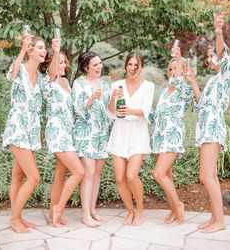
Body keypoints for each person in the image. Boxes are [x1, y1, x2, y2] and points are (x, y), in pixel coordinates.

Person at [186, 13, 230, 233]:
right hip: (205, 129)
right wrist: (193, 81)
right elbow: (200, 104)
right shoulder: (213, 81)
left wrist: (218, 32)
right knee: (211, 175)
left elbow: (223, 52)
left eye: (212, 55)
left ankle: (220, 221)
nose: (210, 58)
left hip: (213, 128)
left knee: (205, 175)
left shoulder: (226, 74)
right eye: (208, 56)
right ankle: (215, 218)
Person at [2, 34, 47, 233]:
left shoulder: (42, 78)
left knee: (18, 175)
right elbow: (11, 75)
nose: (43, 51)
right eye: (39, 47)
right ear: (30, 51)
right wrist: (22, 48)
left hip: (31, 130)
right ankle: (14, 218)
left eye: (44, 48)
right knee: (34, 177)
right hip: (18, 127)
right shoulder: (19, 70)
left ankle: (18, 216)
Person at [41, 38, 84, 227]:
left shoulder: (66, 81)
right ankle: (59, 208)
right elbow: (51, 72)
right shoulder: (48, 81)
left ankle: (52, 213)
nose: (63, 64)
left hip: (69, 132)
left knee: (60, 174)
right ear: (50, 64)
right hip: (57, 132)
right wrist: (56, 50)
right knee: (78, 171)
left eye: (64, 61)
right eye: (59, 61)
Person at [107, 52, 154, 226]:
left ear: (141, 67)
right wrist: (113, 99)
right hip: (120, 134)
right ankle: (129, 210)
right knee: (119, 179)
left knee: (132, 176)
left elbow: (146, 111)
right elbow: (111, 111)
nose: (132, 68)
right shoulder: (117, 85)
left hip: (138, 134)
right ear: (125, 65)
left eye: (136, 65)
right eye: (130, 64)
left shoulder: (148, 86)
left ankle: (140, 210)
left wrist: (130, 110)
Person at [150, 48, 194, 225]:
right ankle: (173, 210)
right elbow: (155, 117)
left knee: (158, 174)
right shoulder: (164, 92)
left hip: (172, 136)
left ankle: (178, 206)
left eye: (176, 68)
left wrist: (178, 57)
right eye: (170, 69)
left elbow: (179, 80)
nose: (172, 72)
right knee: (167, 176)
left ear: (183, 71)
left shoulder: (185, 89)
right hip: (159, 138)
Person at [71, 51, 110, 227]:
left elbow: (109, 111)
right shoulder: (79, 83)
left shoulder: (105, 84)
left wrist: (114, 100)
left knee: (97, 174)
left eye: (100, 63)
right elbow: (77, 109)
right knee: (88, 172)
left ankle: (92, 210)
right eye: (95, 64)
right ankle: (85, 214)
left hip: (102, 133)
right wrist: (90, 99)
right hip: (85, 133)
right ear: (86, 67)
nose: (99, 67)